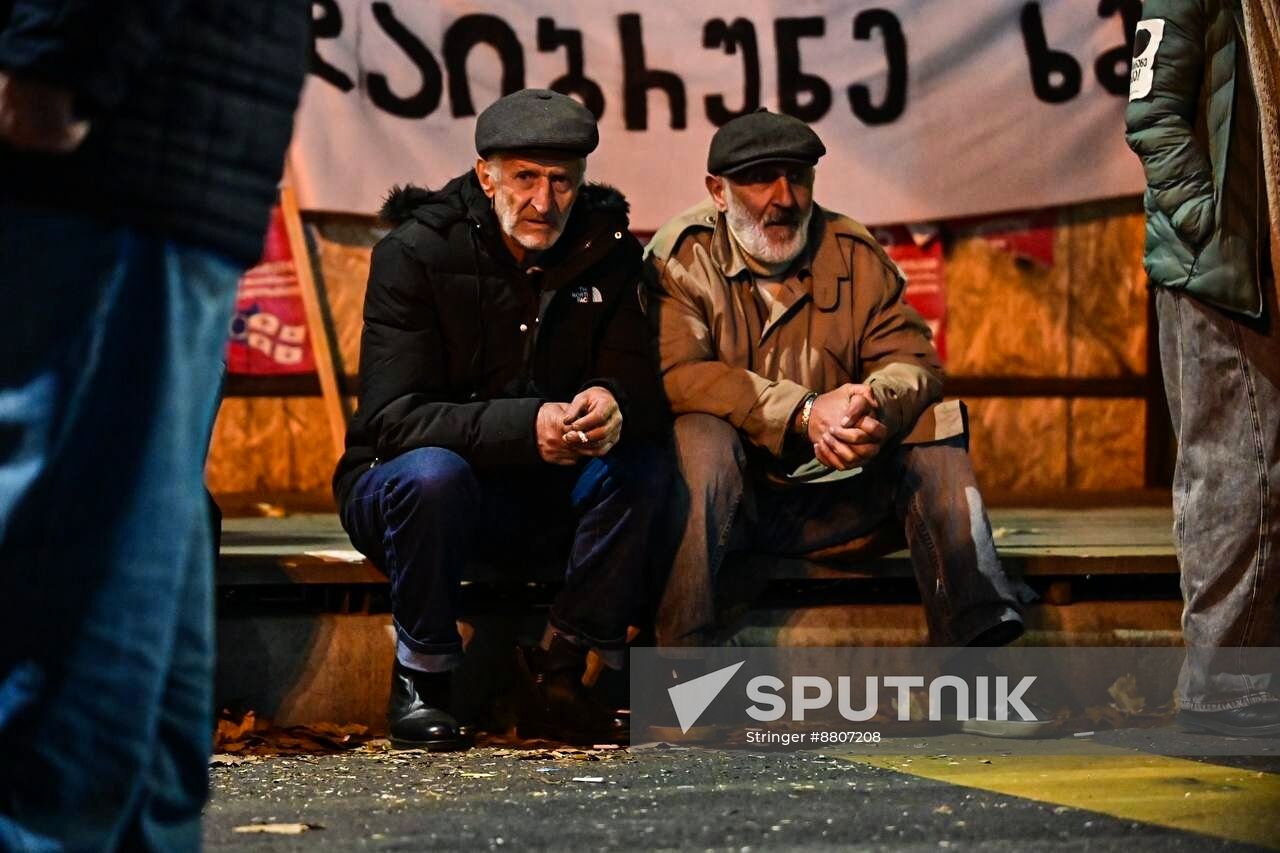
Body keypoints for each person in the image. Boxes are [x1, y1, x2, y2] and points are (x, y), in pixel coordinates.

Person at [0, 2, 309, 849]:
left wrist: (45, 68)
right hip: (151, 151)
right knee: (131, 544)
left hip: (96, 156)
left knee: (68, 582)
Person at [646, 110, 1044, 736]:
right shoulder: (679, 259)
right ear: (717, 191)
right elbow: (675, 374)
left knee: (931, 426)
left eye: (797, 177)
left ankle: (975, 671)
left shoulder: (852, 250)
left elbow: (913, 361)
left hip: (833, 501)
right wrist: (804, 413)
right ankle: (682, 681)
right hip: (725, 504)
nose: (784, 199)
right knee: (698, 433)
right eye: (759, 180)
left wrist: (872, 405)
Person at [335, 89, 669, 750]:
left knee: (646, 459)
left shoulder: (611, 252)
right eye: (525, 178)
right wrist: (528, 426)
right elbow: (392, 419)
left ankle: (560, 667)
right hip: (408, 489)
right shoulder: (416, 251)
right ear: (486, 174)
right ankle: (422, 679)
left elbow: (637, 377)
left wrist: (612, 402)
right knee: (433, 475)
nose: (544, 202)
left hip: (542, 496)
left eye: (562, 182)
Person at [1126, 0, 1280, 736]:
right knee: (1235, 474)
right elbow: (1151, 112)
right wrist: (1209, 226)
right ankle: (1223, 685)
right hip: (1218, 271)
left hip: (1264, 265)